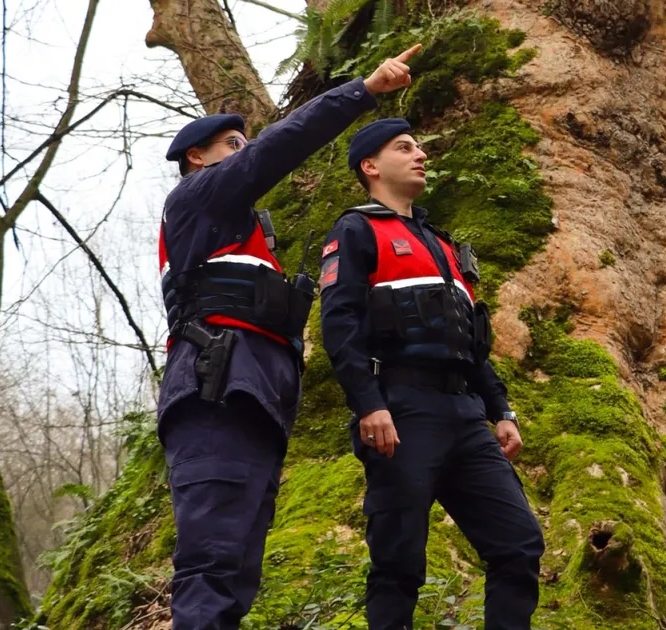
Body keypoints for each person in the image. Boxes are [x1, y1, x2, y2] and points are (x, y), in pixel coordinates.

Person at [155, 44, 423, 630]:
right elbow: (281, 145)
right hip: (214, 398)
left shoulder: (239, 233)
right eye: (231, 147)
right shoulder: (196, 199)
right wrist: (364, 90)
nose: (244, 154)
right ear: (198, 158)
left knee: (236, 573)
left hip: (252, 404)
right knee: (211, 565)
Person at [318, 117, 546, 630]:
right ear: (370, 166)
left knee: (518, 544)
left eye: (419, 146)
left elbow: (470, 340)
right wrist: (368, 403)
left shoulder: (441, 243)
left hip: (466, 415)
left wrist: (500, 409)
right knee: (399, 564)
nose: (420, 154)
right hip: (401, 410)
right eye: (405, 147)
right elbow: (339, 325)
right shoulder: (355, 231)